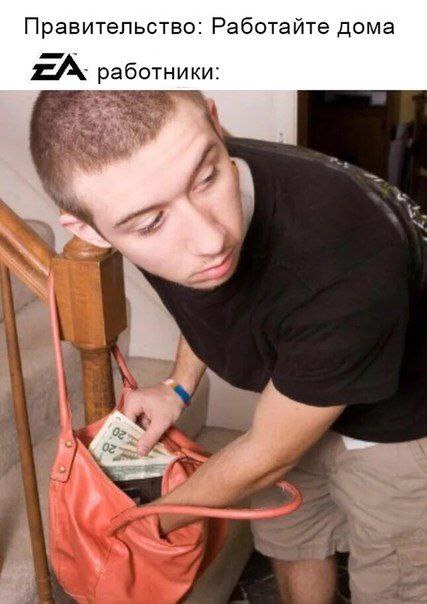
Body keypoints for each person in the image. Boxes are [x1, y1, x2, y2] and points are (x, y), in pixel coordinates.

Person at [30, 91, 427, 604]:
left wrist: (136, 527)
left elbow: (268, 456)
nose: (211, 240)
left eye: (207, 179)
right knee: (292, 534)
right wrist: (178, 386)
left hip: (404, 425)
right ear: (88, 229)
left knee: (394, 582)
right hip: (298, 389)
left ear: (217, 125)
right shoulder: (163, 171)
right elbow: (213, 304)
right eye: (151, 224)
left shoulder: (345, 260)